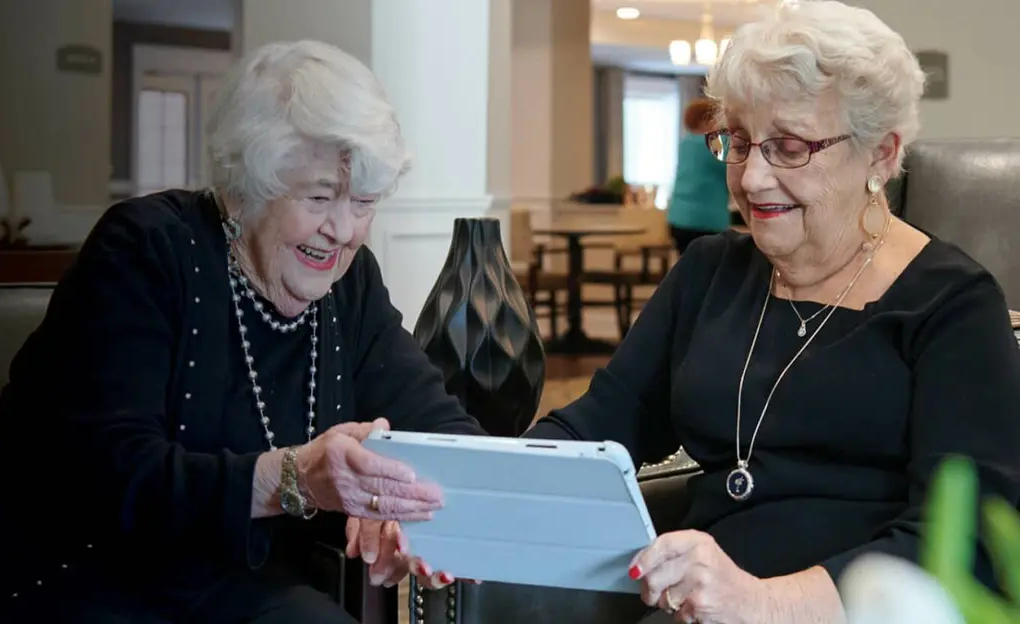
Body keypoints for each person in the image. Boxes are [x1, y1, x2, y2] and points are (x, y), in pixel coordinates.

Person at [359, 2, 1020, 622]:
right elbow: (596, 427)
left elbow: (962, 541)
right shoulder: (711, 272)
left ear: (880, 153)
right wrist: (459, 507)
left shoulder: (952, 304)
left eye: (789, 147)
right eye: (737, 140)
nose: (752, 178)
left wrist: (762, 603)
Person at [0, 40, 483, 623]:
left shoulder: (352, 284)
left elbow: (442, 429)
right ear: (247, 185)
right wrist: (295, 478)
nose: (342, 229)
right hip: (58, 576)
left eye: (363, 202)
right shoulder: (145, 251)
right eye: (318, 197)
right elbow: (110, 474)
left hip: (222, 588)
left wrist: (418, 507)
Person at [666, 98, 734, 254]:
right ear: (706, 120)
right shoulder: (716, 143)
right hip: (707, 219)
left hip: (678, 218)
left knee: (687, 267)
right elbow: (731, 171)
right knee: (710, 271)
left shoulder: (685, 144)